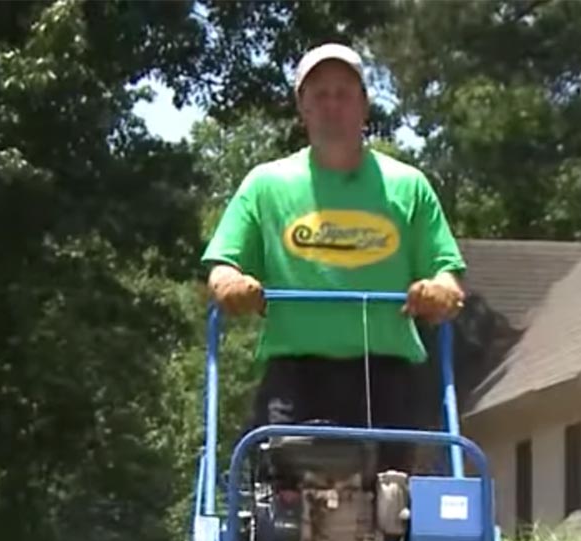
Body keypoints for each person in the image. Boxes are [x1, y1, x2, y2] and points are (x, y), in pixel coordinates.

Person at [199, 42, 466, 473]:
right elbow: (221, 266)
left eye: (343, 93)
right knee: (278, 497)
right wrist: (230, 285)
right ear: (301, 106)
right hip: (295, 377)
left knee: (393, 503)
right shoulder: (266, 185)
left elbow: (448, 277)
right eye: (320, 94)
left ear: (364, 105)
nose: (332, 105)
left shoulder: (408, 186)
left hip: (385, 375)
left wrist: (439, 292)